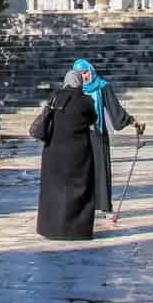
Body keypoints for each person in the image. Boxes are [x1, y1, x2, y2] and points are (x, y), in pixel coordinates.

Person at [70, 59, 143, 218]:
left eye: (86, 72)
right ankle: (81, 206)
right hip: (79, 136)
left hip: (97, 133)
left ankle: (104, 206)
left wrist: (130, 121)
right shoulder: (74, 90)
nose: (85, 77)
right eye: (80, 74)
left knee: (101, 169)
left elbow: (115, 110)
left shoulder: (102, 87)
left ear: (91, 70)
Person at [36, 71, 101, 240]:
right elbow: (93, 119)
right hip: (78, 154)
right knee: (79, 192)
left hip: (54, 154)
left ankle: (51, 228)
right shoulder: (86, 102)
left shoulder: (55, 99)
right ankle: (77, 230)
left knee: (54, 192)